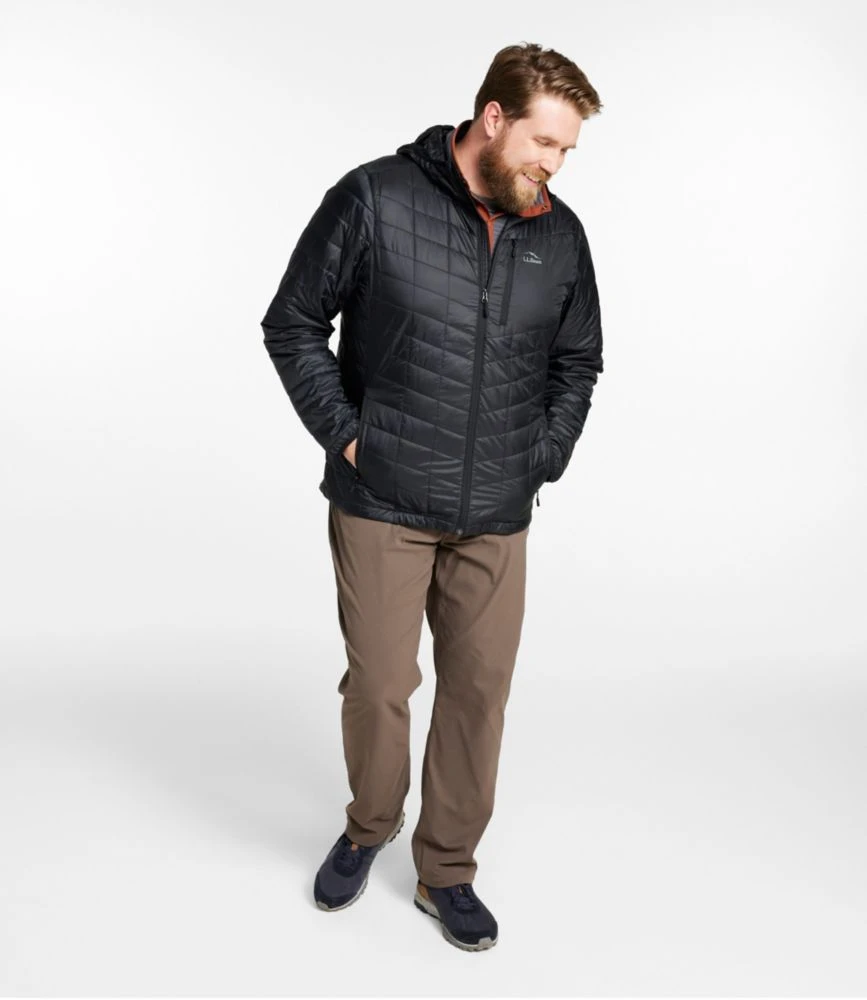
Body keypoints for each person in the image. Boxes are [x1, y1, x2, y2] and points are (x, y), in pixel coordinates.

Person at [261, 41, 604, 952]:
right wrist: (351, 436)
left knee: (478, 694)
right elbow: (292, 322)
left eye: (566, 150)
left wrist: (540, 457)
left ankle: (445, 868)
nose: (555, 164)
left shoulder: (559, 234)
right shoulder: (375, 198)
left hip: (496, 511)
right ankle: (368, 826)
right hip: (382, 500)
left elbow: (578, 360)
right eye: (544, 143)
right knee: (380, 685)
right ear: (492, 118)